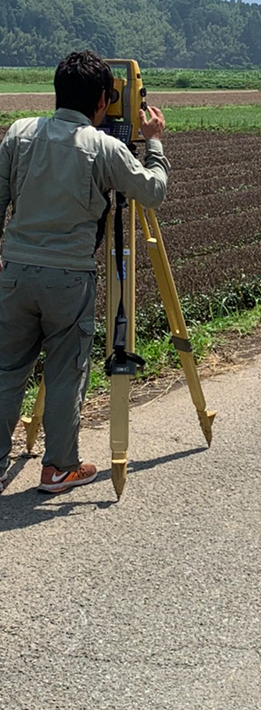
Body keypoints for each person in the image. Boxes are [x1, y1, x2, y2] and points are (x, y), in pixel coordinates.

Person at [0, 51, 170, 495]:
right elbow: (152, 192)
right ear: (102, 99)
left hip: (15, 272)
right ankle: (58, 468)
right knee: (64, 371)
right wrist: (153, 142)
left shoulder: (19, 133)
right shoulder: (104, 147)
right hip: (69, 279)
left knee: (6, 371)